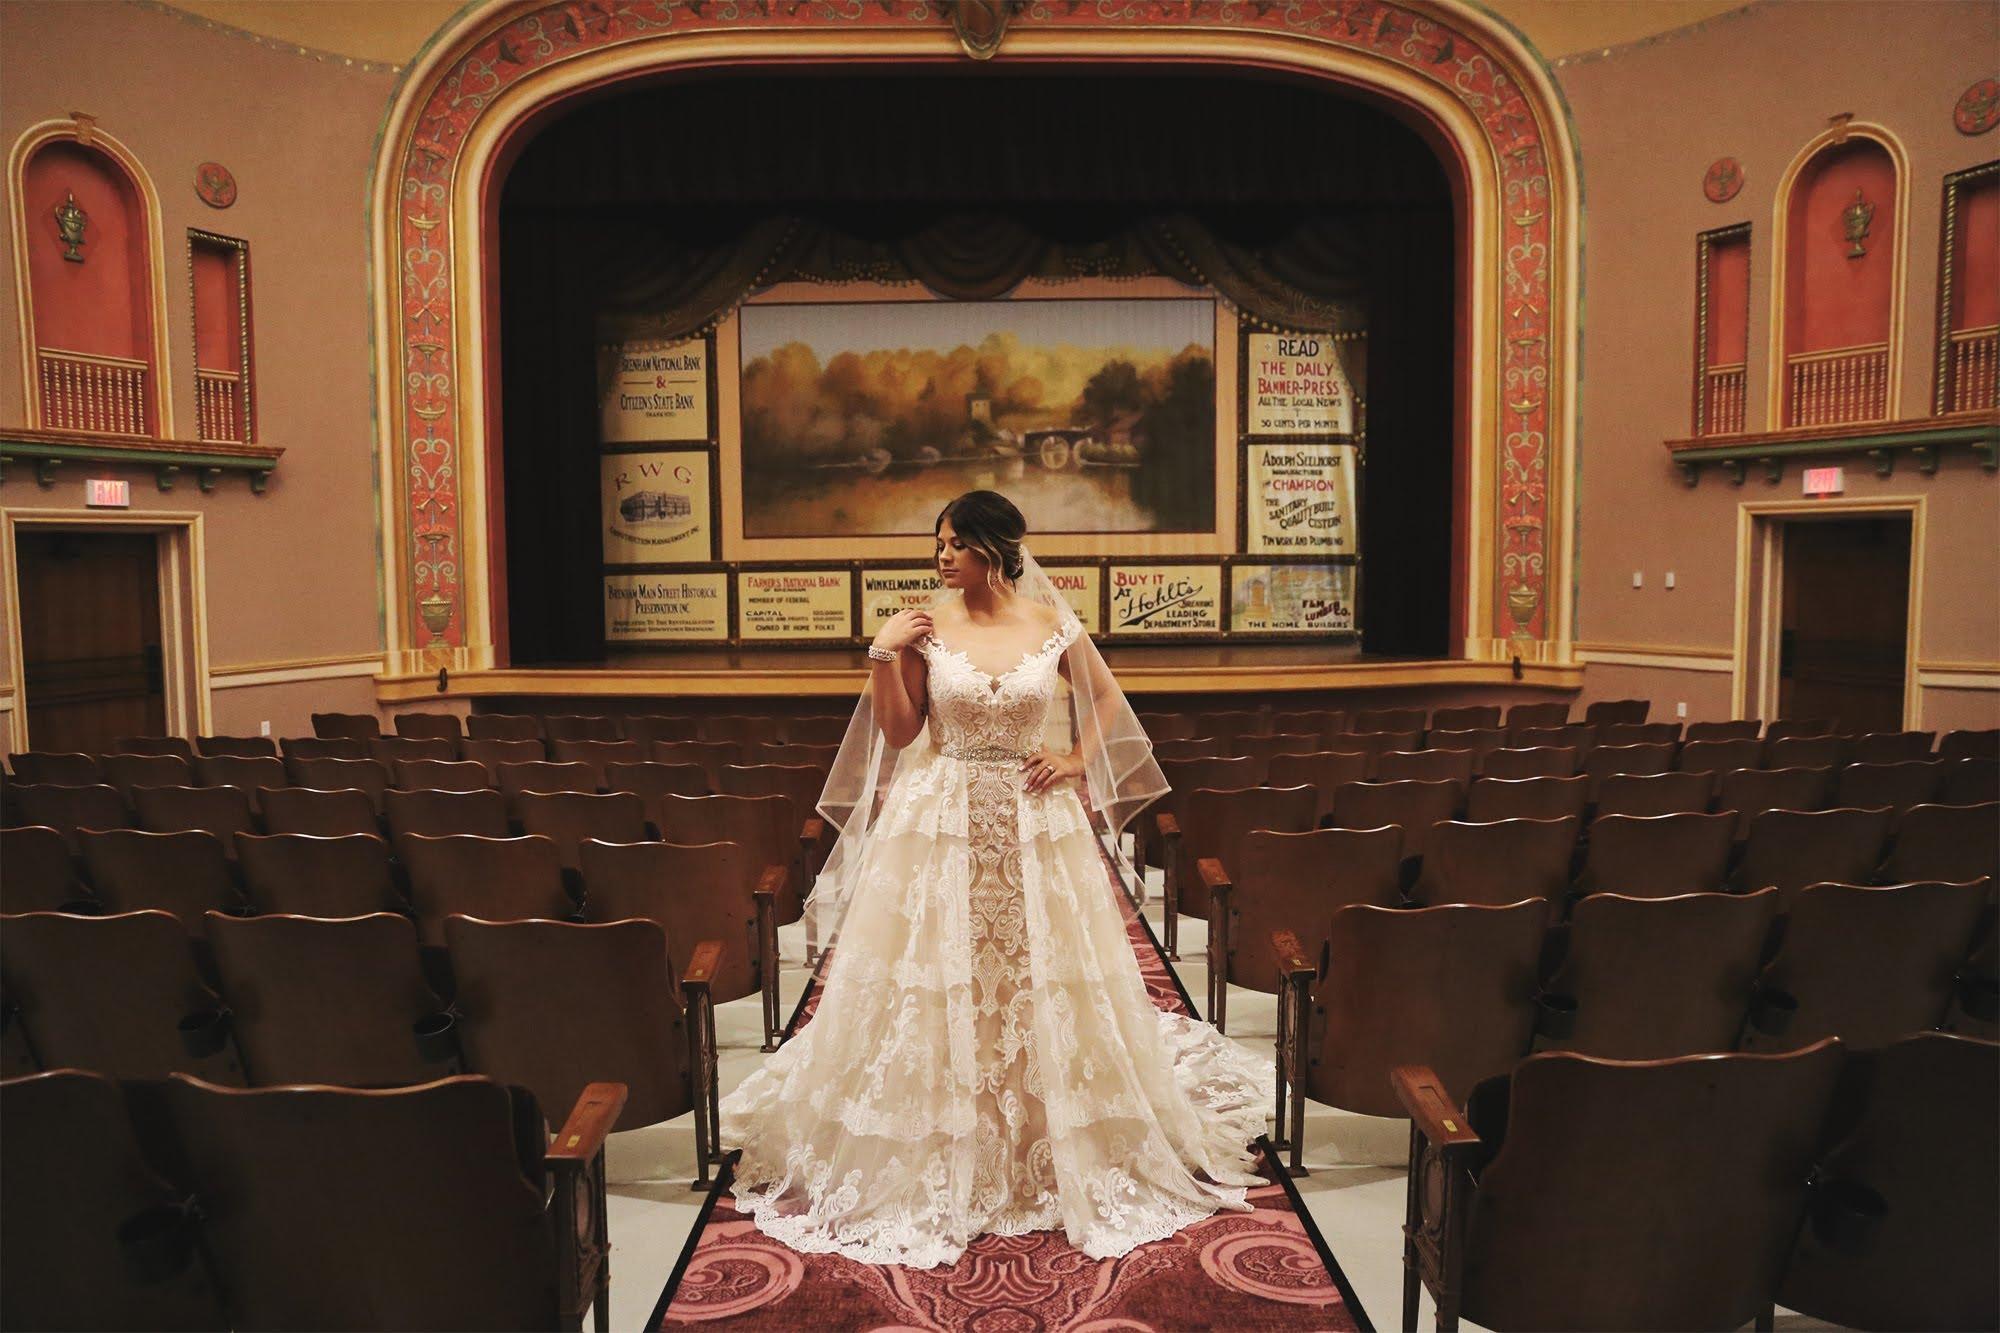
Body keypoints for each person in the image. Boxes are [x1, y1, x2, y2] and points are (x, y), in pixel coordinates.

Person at [715, 489, 1268, 1269]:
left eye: (956, 543)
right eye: (938, 544)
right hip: (941, 817)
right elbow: (901, 732)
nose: (942, 556)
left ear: (995, 548)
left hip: (1035, 818)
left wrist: (1075, 760)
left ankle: (1040, 1121)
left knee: (1039, 967)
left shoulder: (1049, 621)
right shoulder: (925, 625)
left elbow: (1107, 699)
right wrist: (882, 654)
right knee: (940, 969)